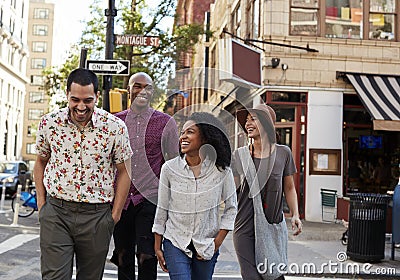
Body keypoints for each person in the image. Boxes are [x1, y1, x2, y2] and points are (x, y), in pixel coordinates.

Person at [34, 68, 132, 280]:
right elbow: (40, 162)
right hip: (57, 213)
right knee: (54, 277)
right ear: (67, 95)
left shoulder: (115, 127)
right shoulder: (49, 123)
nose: (81, 106)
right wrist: (42, 205)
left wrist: (114, 215)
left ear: (97, 96)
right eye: (75, 99)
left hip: (97, 216)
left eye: (87, 100)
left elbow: (125, 172)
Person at [110, 72, 179, 280]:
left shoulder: (165, 122)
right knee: (122, 256)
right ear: (128, 90)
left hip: (150, 199)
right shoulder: (114, 122)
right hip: (120, 200)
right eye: (137, 86)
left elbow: (174, 162)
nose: (142, 91)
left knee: (147, 256)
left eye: (147, 87)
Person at [152, 112, 237, 280]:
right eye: (182, 132)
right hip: (175, 240)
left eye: (190, 132)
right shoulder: (169, 169)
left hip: (207, 243)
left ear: (205, 138)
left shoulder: (221, 172)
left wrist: (216, 243)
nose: (183, 136)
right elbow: (162, 209)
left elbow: (231, 208)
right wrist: (157, 246)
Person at [233, 104, 302, 280]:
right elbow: (230, 190)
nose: (248, 124)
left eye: (253, 119)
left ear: (267, 123)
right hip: (245, 227)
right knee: (251, 277)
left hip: (271, 226)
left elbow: (289, 187)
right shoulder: (240, 155)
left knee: (273, 276)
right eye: (246, 121)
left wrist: (295, 214)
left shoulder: (283, 153)